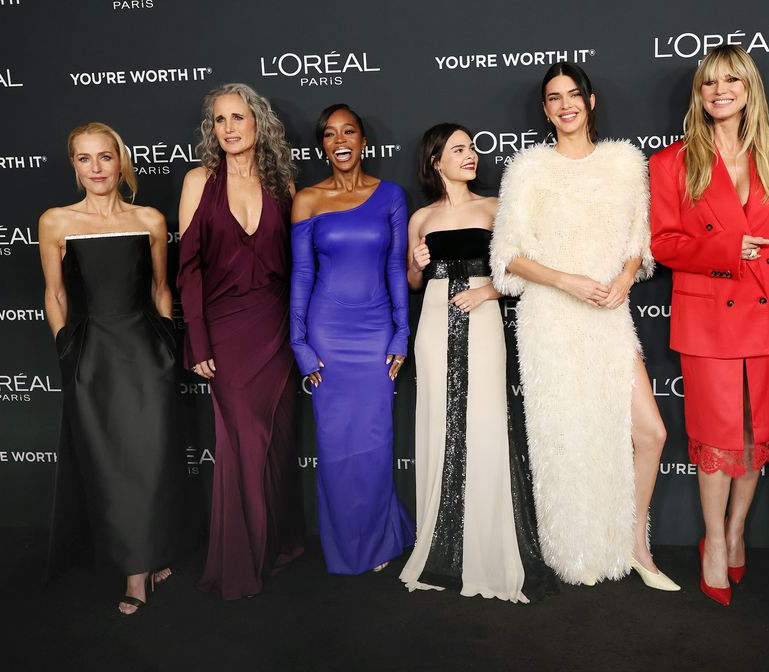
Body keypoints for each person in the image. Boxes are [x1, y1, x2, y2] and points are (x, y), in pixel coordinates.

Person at [491, 63, 678, 591]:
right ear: (546, 110)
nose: (566, 105)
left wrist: (622, 277)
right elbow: (507, 256)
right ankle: (574, 548)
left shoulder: (624, 163)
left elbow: (638, 244)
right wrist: (565, 280)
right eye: (555, 98)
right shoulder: (528, 168)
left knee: (651, 431)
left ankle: (636, 542)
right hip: (550, 318)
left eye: (574, 95)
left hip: (608, 315)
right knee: (565, 436)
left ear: (591, 102)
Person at [649, 45, 769, 605]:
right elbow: (663, 244)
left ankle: (737, 530)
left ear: (749, 88)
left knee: (755, 435)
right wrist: (729, 246)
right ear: (699, 92)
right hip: (708, 312)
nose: (720, 90)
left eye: (732, 79)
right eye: (710, 81)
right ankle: (713, 540)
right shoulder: (671, 162)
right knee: (717, 436)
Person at [399, 123, 558, 602]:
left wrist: (487, 290)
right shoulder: (420, 217)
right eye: (459, 149)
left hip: (484, 319)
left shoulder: (494, 208)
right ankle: (443, 543)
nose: (471, 155)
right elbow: (411, 282)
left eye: (472, 148)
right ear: (436, 161)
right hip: (432, 324)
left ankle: (488, 543)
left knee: (486, 420)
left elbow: (521, 270)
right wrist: (417, 260)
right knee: (440, 422)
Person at [39, 122, 192, 614]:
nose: (96, 168)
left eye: (104, 157)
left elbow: (161, 289)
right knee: (111, 464)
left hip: (146, 354)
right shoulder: (56, 221)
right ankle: (137, 561)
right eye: (84, 159)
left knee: (150, 460)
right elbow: (56, 293)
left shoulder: (149, 218)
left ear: (120, 160)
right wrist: (67, 351)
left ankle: (141, 568)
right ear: (74, 166)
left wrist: (167, 346)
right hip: (94, 357)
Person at [178, 83, 304, 600]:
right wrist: (198, 342)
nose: (228, 128)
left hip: (274, 328)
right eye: (219, 120)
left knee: (274, 444)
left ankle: (274, 545)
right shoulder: (199, 181)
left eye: (238, 118)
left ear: (259, 124)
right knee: (240, 444)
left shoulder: (283, 184)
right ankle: (239, 563)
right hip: (224, 330)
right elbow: (187, 270)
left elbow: (299, 267)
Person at [289, 104, 414, 574]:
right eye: (329, 133)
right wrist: (299, 343)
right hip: (327, 333)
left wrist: (401, 332)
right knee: (336, 443)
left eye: (349, 131)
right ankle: (346, 543)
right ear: (322, 144)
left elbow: (395, 268)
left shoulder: (392, 196)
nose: (339, 139)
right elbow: (302, 274)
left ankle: (380, 538)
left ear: (363, 140)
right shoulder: (307, 200)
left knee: (377, 438)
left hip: (377, 330)